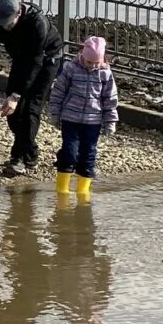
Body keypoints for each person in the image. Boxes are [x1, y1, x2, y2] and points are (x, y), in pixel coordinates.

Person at [0, 0, 60, 176]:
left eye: (8, 23)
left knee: (30, 108)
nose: (5, 27)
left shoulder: (37, 23)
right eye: (2, 23)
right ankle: (30, 152)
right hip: (20, 58)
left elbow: (35, 62)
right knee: (12, 113)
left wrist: (16, 95)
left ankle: (18, 159)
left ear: (18, 14)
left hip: (47, 59)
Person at [48, 34, 119, 200]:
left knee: (89, 154)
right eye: (89, 63)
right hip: (70, 118)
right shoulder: (71, 69)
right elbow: (58, 91)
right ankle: (62, 188)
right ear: (82, 56)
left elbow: (110, 99)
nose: (93, 66)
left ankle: (83, 191)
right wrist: (54, 113)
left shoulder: (105, 74)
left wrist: (111, 121)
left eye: (96, 63)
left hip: (93, 121)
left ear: (102, 59)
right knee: (69, 152)